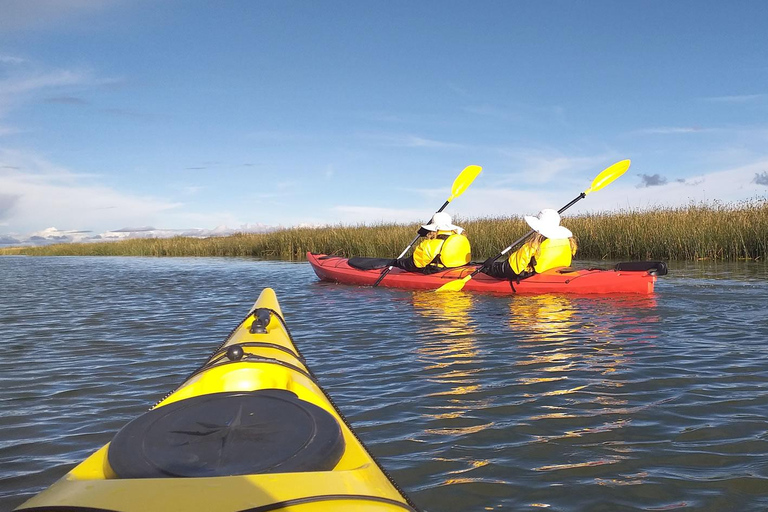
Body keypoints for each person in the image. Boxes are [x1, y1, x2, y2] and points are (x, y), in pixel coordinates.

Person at [483, 208, 577, 280]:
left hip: (535, 277)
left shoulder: (533, 246)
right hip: (558, 274)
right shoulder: (569, 243)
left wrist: (490, 267)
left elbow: (511, 269)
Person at [393, 212, 471, 274]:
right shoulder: (461, 238)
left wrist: (397, 262)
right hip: (459, 269)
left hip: (440, 272)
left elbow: (411, 265)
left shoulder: (429, 245)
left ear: (433, 228)